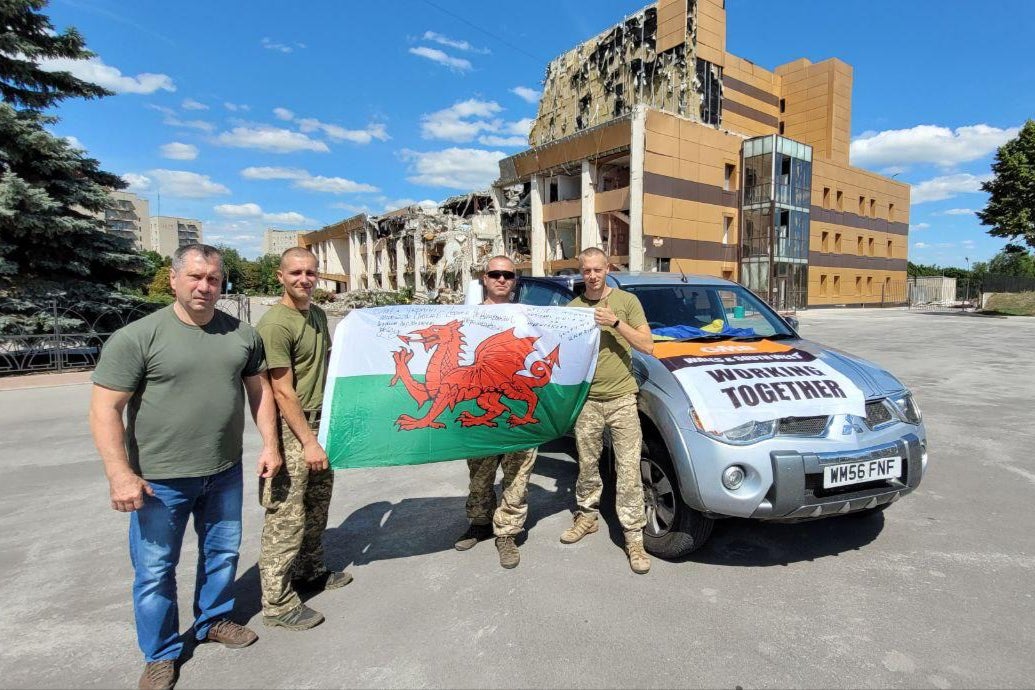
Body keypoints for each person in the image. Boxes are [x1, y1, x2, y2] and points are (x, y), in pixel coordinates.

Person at [89, 244, 281, 690]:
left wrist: (269, 444)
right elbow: (105, 410)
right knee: (156, 570)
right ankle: (160, 653)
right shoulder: (138, 337)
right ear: (173, 278)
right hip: (159, 480)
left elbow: (260, 393)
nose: (204, 286)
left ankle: (213, 620)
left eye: (213, 279)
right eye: (195, 277)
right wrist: (120, 474)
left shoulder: (241, 335)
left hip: (224, 470)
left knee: (222, 554)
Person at [257, 247, 351, 630]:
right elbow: (282, 390)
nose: (304, 279)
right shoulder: (276, 324)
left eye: (310, 273)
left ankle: (310, 569)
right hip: (293, 429)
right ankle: (277, 603)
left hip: (320, 423)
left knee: (316, 504)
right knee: (286, 515)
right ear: (280, 276)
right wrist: (307, 442)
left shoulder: (316, 315)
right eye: (295, 272)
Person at [562, 247, 654, 574]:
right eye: (586, 270)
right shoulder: (573, 309)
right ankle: (587, 516)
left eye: (597, 270)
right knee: (587, 463)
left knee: (628, 468)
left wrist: (614, 321)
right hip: (588, 400)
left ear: (607, 268)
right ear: (581, 272)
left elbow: (647, 344)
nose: (592, 276)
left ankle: (633, 536)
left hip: (621, 398)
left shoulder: (626, 303)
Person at [453, 255, 538, 569]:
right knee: (479, 475)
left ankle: (507, 533)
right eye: (495, 274)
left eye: (508, 275)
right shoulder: (469, 317)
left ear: (515, 281)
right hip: (482, 409)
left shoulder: (528, 316)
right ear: (484, 279)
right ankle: (478, 523)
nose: (502, 279)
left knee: (517, 478)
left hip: (517, 412)